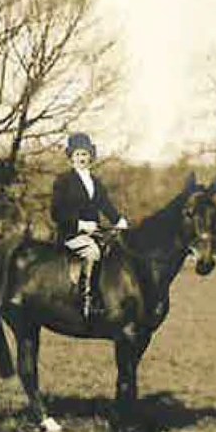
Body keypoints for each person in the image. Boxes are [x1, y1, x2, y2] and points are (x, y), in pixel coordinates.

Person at [51, 132, 128, 320]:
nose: (81, 159)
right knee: (93, 252)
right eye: (77, 155)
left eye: (84, 154)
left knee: (116, 250)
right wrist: (81, 225)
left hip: (95, 232)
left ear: (90, 156)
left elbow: (106, 206)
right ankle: (87, 300)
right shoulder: (63, 181)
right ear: (71, 157)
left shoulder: (95, 182)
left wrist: (119, 220)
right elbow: (56, 212)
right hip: (71, 234)